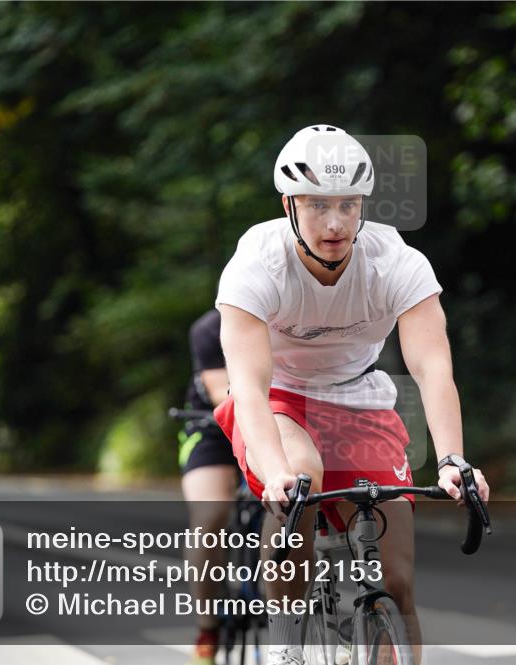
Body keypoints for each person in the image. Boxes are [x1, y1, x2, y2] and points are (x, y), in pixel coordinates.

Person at [212, 124, 490, 665]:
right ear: (289, 204)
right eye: (317, 205)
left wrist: (454, 458)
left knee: (398, 582)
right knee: (301, 473)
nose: (335, 223)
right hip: (280, 398)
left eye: (348, 205)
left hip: (359, 397)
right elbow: (247, 387)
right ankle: (286, 638)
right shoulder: (256, 263)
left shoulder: (396, 262)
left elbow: (433, 368)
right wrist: (275, 475)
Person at [177, 308, 239, 665]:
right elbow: (223, 395)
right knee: (211, 516)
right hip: (212, 426)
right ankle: (207, 627)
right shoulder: (207, 328)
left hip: (280, 421)